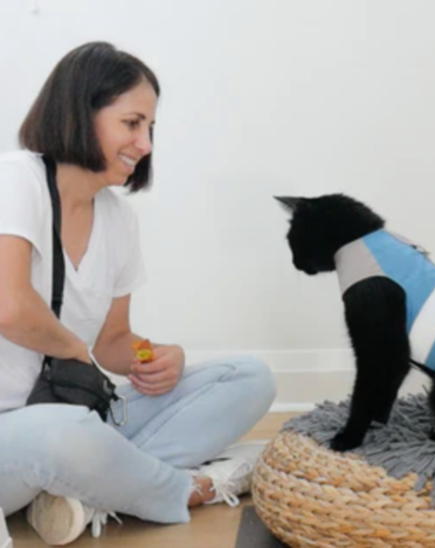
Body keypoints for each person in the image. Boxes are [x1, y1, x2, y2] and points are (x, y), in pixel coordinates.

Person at [0, 42, 277, 546]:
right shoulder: (15, 179)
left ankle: (83, 494)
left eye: (150, 128)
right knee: (66, 434)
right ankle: (189, 489)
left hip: (77, 418)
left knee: (250, 378)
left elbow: (114, 342)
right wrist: (70, 348)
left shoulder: (119, 220)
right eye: (132, 123)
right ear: (80, 113)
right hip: (17, 434)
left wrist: (154, 357)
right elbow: (10, 308)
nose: (145, 143)